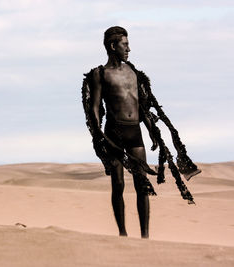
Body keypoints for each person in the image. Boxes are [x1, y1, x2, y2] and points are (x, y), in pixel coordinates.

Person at [89, 26, 159, 238]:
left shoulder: (134, 73)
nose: (129, 49)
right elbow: (94, 106)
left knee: (142, 182)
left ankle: (145, 235)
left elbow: (142, 106)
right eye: (125, 45)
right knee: (118, 183)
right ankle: (122, 234)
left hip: (134, 131)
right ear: (113, 46)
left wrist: (152, 130)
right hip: (114, 132)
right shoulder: (100, 74)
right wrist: (98, 135)